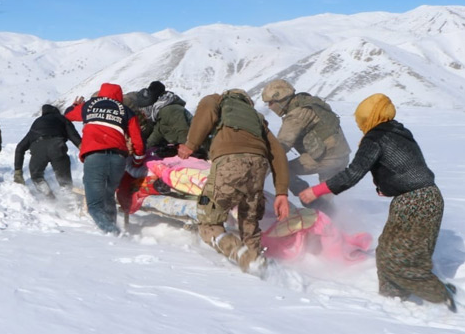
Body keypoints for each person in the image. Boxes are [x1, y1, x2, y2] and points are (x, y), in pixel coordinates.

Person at [299, 93, 457, 312]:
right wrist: (388, 187)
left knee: (401, 259)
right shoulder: (400, 132)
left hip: (416, 202)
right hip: (424, 197)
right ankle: (394, 301)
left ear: (369, 117)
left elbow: (353, 174)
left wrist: (317, 190)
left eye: (361, 119)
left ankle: (442, 295)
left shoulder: (375, 138)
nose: (360, 124)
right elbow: (405, 167)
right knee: (386, 253)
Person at [178, 89, 290, 273]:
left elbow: (206, 110)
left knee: (208, 220)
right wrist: (282, 192)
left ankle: (242, 255)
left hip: (230, 162)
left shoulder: (218, 100)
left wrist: (191, 145)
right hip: (259, 166)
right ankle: (258, 264)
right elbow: (277, 152)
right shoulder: (257, 118)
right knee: (249, 221)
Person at [65, 82, 145, 235]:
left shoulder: (89, 106)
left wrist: (75, 105)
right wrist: (137, 160)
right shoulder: (126, 111)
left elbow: (68, 115)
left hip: (95, 157)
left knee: (94, 205)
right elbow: (137, 141)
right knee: (108, 197)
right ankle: (112, 231)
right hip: (118, 159)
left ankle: (114, 233)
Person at [262, 79, 351, 213]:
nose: (269, 107)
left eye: (271, 103)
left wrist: (262, 170)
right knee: (326, 202)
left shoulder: (297, 115)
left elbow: (281, 146)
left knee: (284, 170)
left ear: (281, 99)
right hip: (340, 156)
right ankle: (331, 222)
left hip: (327, 158)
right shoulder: (310, 102)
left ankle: (307, 197)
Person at [14, 104, 82, 197]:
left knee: (37, 176)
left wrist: (18, 172)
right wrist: (83, 148)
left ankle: (50, 199)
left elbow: (20, 147)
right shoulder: (61, 118)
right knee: (64, 181)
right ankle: (69, 201)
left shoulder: (37, 122)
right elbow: (73, 135)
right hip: (56, 146)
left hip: (38, 149)